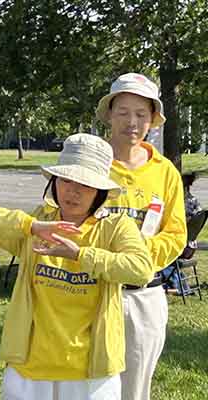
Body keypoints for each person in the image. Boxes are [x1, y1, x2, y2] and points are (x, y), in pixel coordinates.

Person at [0, 134, 155, 400]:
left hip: (91, 372)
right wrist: (31, 226)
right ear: (54, 183)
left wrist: (80, 254)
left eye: (85, 185)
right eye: (66, 180)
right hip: (29, 368)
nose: (73, 191)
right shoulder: (39, 223)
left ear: (100, 192)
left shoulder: (114, 227)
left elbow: (141, 269)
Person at [95, 73, 187, 400]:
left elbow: (176, 234)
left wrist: (135, 254)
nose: (131, 122)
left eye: (141, 114)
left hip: (143, 297)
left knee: (134, 390)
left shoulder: (165, 172)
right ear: (109, 114)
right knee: (86, 385)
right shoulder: (92, 165)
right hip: (91, 292)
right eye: (123, 112)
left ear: (152, 120)